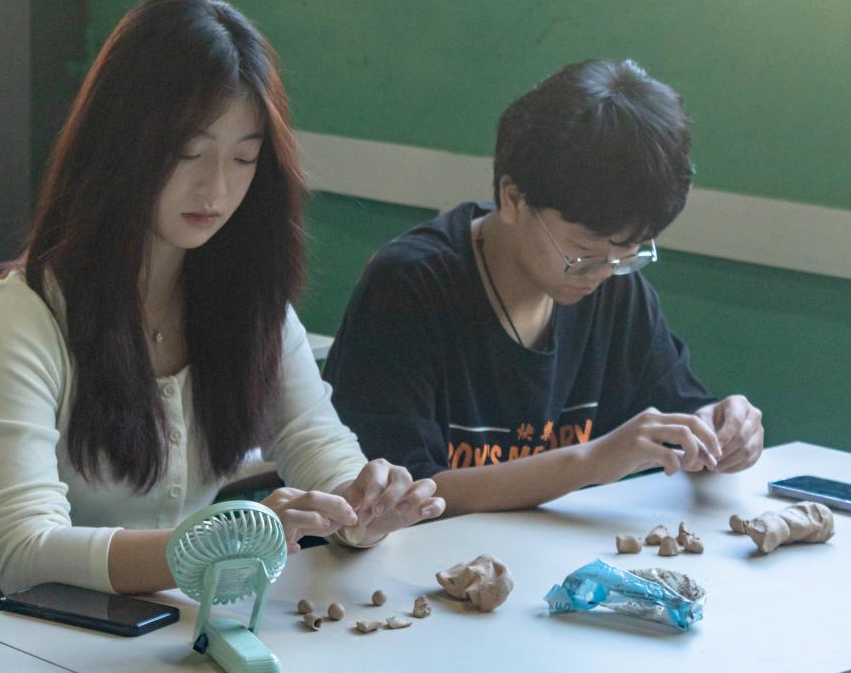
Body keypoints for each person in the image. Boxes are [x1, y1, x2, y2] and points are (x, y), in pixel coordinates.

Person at [0, 0, 445, 600]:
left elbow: (311, 438)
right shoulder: (26, 316)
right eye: (186, 152)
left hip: (184, 621)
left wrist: (363, 508)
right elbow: (22, 550)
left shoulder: (247, 297)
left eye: (244, 158)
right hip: (35, 631)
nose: (215, 187)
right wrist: (222, 539)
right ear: (119, 144)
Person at [323, 59, 764, 516]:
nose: (603, 272)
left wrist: (721, 428)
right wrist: (589, 462)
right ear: (513, 199)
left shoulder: (615, 285)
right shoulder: (410, 285)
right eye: (584, 251)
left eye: (629, 252)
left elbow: (681, 412)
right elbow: (395, 500)